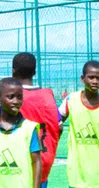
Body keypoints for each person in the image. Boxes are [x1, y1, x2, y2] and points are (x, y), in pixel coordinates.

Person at [58, 60, 99, 188]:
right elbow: (56, 119)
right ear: (82, 79)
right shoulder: (71, 100)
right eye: (91, 77)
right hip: (76, 175)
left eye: (98, 78)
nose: (95, 81)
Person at [12, 52, 61, 188]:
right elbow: (59, 127)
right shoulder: (48, 95)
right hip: (43, 163)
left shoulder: (10, 99)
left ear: (13, 72)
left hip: (17, 164)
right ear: (34, 72)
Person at [0, 78, 42, 188]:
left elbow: (36, 162)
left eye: (19, 97)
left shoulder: (29, 128)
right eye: (10, 97)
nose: (16, 101)